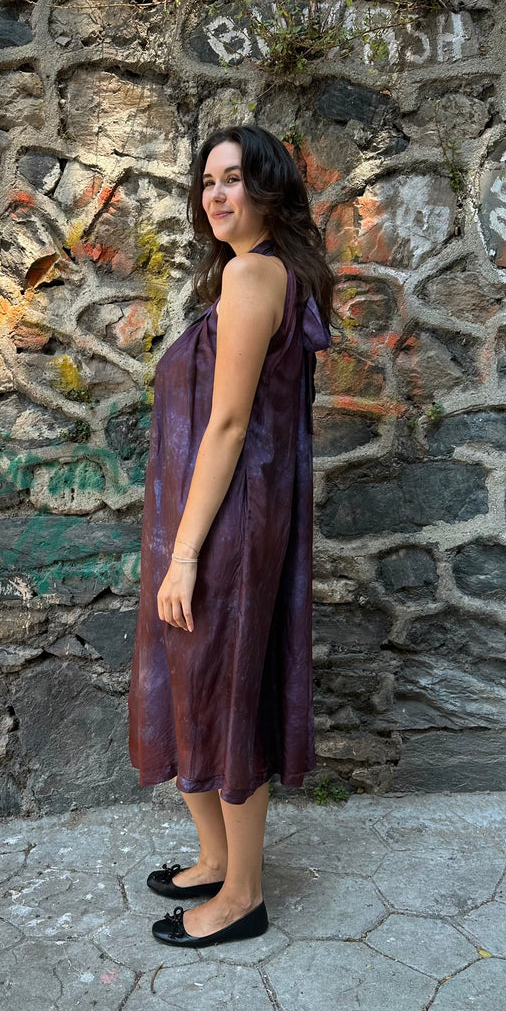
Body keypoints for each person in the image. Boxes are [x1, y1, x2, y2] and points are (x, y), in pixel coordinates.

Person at [127, 123, 334, 948]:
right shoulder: (250, 273)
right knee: (199, 679)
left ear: (269, 189)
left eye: (235, 178)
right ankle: (215, 858)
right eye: (208, 180)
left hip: (225, 525)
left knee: (224, 691)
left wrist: (184, 554)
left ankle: (242, 896)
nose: (216, 194)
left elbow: (229, 425)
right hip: (214, 515)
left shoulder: (254, 275)